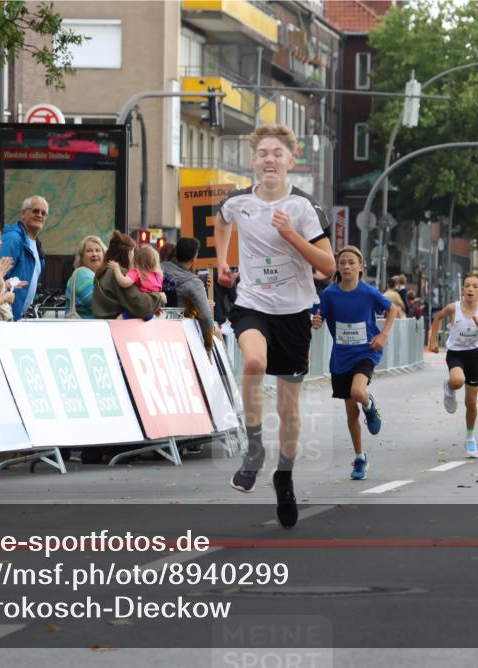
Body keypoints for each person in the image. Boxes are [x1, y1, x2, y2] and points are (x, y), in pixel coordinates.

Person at [215, 124, 336, 529]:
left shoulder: (304, 208)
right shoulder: (239, 201)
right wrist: (220, 261)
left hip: (295, 312)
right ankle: (254, 451)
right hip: (252, 304)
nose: (269, 159)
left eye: (277, 153)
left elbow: (328, 266)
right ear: (253, 161)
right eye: (263, 153)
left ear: (289, 161)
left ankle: (284, 475)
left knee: (288, 407)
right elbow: (221, 220)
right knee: (252, 363)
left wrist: (289, 235)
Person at [311, 245, 394, 481]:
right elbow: (319, 317)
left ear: (360, 266)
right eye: (342, 262)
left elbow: (392, 310)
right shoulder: (329, 294)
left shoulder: (369, 293)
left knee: (358, 391)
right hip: (341, 357)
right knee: (350, 413)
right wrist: (316, 321)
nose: (346, 266)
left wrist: (383, 335)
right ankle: (360, 457)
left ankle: (369, 405)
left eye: (351, 262)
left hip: (365, 353)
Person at [428, 272, 478, 458]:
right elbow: (437, 318)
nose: (471, 289)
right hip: (455, 354)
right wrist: (432, 341)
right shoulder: (453, 308)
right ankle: (449, 387)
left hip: (473, 356)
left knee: (471, 403)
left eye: (475, 286)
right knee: (457, 381)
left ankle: (470, 438)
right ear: (462, 289)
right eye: (467, 285)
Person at [91, 231, 163, 320]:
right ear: (129, 254)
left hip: (105, 326)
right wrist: (159, 297)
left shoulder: (103, 271)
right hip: (117, 328)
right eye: (135, 253)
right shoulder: (118, 274)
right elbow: (141, 305)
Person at [0, 195, 47, 320]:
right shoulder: (13, 239)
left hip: (21, 319)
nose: (40, 215)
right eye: (35, 211)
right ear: (23, 214)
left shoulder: (37, 245)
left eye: (43, 213)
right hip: (5, 317)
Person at [161, 236, 217, 341]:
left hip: (154, 329)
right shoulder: (195, 283)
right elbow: (205, 318)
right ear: (194, 258)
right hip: (181, 336)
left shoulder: (159, 268)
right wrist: (209, 345)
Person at [106, 244, 166, 319]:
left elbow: (124, 283)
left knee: (119, 319)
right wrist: (131, 261)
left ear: (137, 260)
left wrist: (116, 269)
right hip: (152, 310)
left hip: (140, 309)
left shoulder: (137, 272)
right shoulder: (158, 275)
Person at [66, 235, 106, 319]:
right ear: (81, 256)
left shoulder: (96, 275)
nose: (94, 254)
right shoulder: (82, 274)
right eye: (89, 251)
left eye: (98, 250)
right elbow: (98, 306)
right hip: (85, 330)